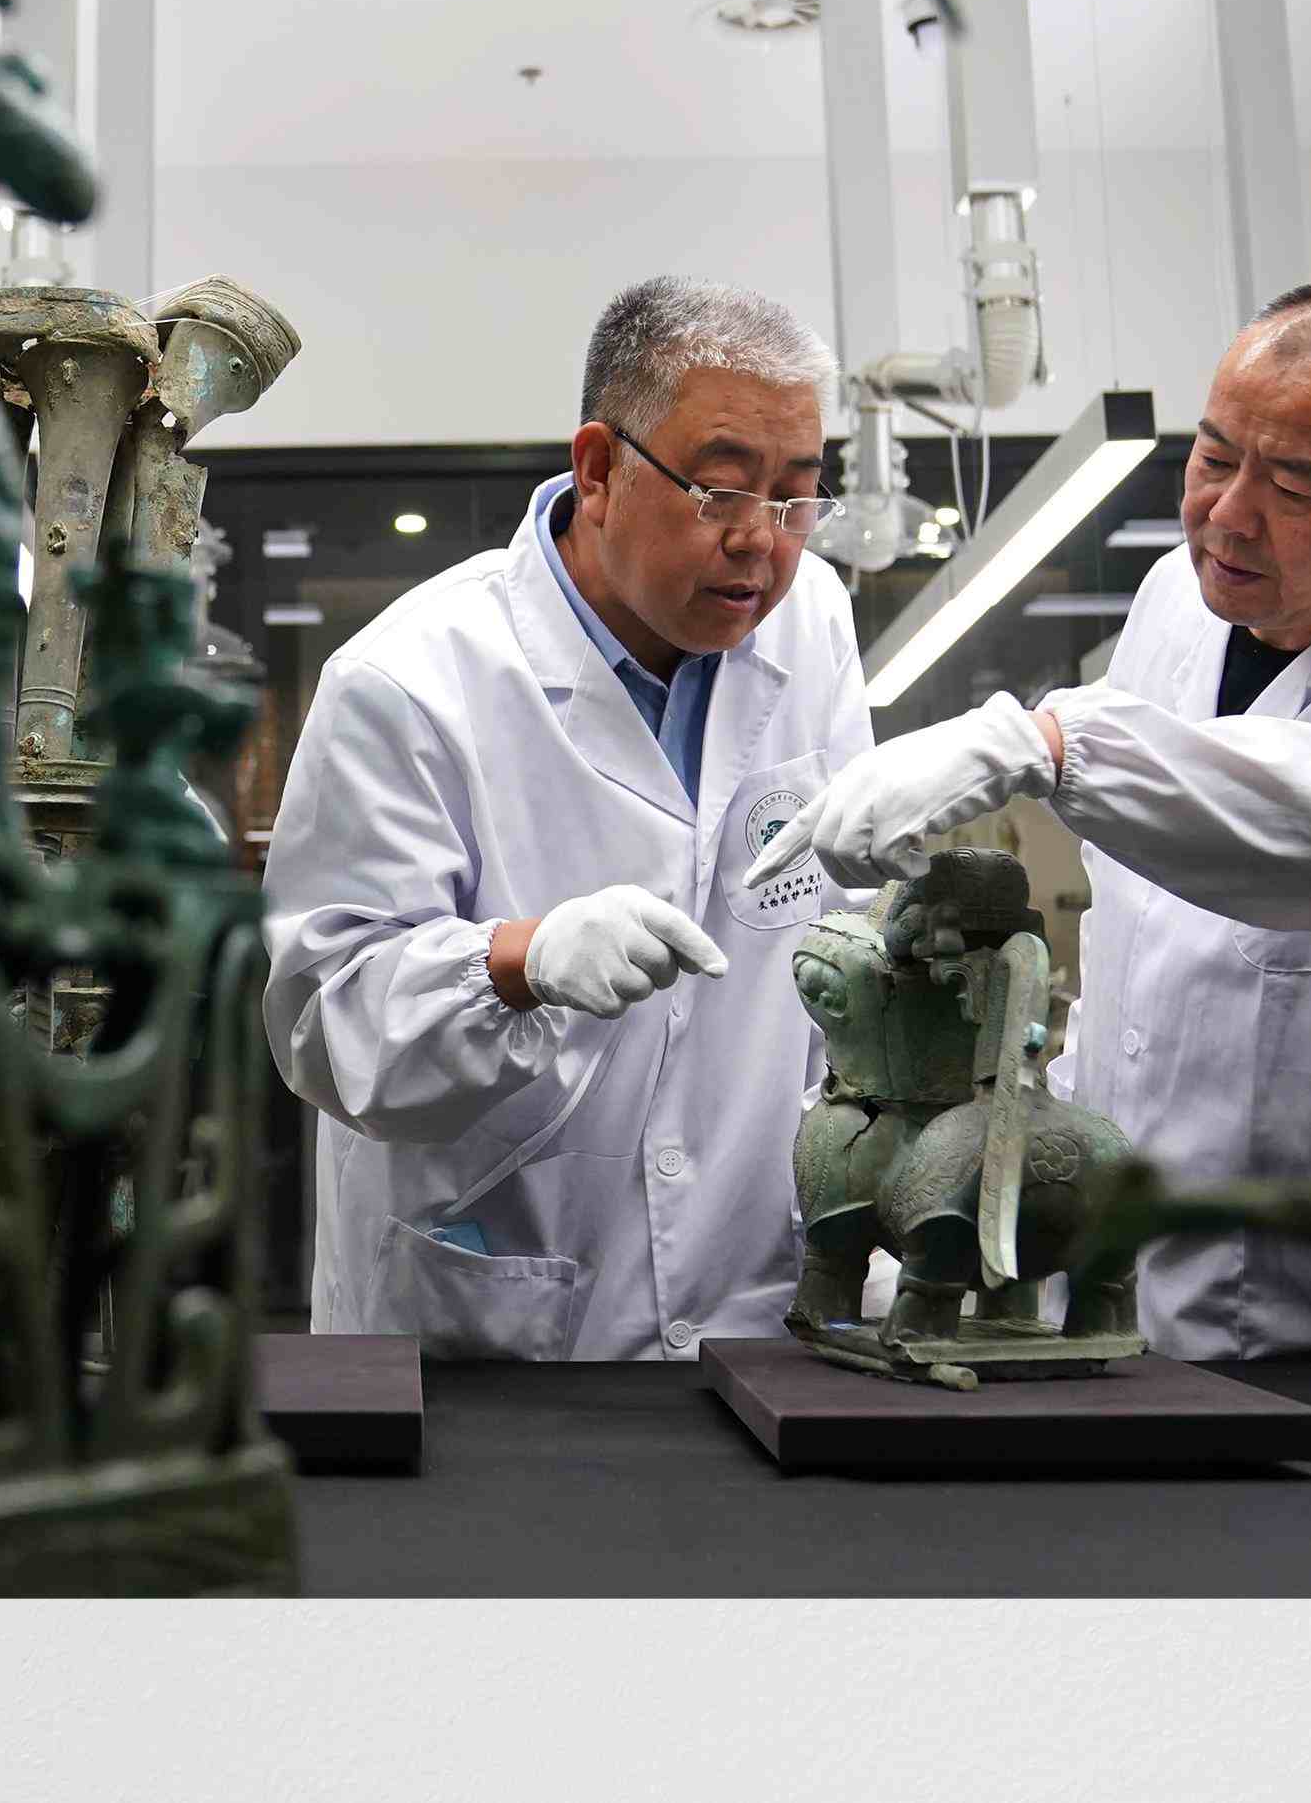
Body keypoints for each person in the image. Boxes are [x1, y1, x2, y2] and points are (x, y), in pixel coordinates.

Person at [751, 282, 1311, 1359]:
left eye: (1294, 485)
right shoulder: (1175, 608)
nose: (1228, 514)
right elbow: (1141, 983)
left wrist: (1050, 743)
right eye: (1213, 457)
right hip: (1121, 1316)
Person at [263, 277, 873, 1360]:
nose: (761, 543)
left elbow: (841, 917)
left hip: (753, 1308)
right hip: (497, 1318)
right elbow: (326, 1026)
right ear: (598, 470)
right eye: (720, 491)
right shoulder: (407, 683)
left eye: (795, 498)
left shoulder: (812, 620)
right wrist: (519, 961)